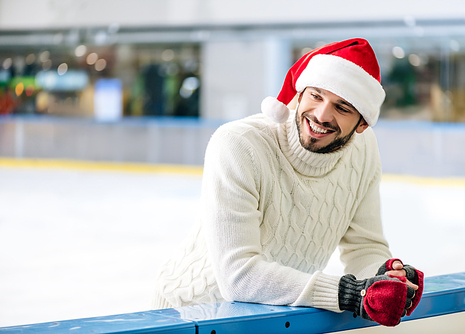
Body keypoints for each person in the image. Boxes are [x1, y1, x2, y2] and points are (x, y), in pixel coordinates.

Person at [152, 38, 423, 327]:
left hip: (274, 314)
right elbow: (238, 275)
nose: (321, 115)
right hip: (190, 315)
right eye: (316, 96)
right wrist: (350, 294)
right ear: (299, 94)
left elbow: (364, 247)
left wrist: (383, 275)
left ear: (362, 123)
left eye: (342, 107)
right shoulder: (239, 145)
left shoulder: (364, 150)